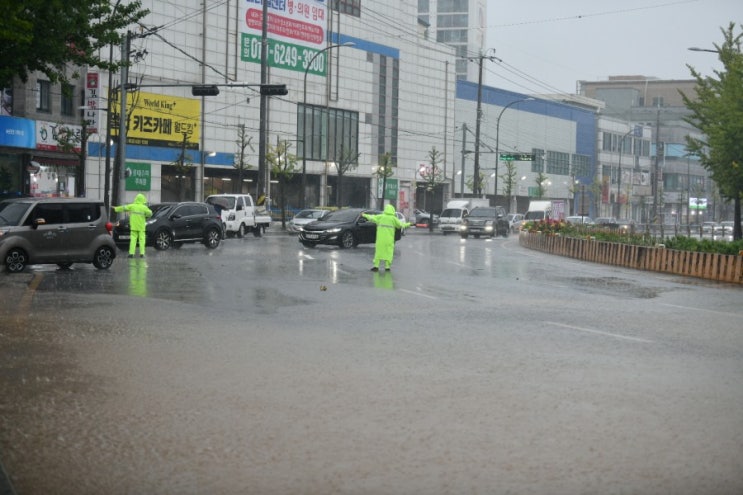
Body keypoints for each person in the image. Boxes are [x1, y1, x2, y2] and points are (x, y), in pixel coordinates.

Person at [362, 204, 411, 272]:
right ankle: (387, 267)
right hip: (389, 240)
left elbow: (372, 217)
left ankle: (376, 266)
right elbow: (401, 225)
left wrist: (364, 215)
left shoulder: (381, 217)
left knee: (379, 252)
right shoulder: (393, 219)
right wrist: (409, 224)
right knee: (388, 253)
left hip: (380, 239)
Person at [114, 193, 152, 258]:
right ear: (142, 200)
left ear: (136, 199)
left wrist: (116, 208)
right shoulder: (144, 207)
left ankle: (131, 253)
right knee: (142, 240)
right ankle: (142, 254)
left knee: (133, 240)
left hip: (134, 227)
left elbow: (124, 208)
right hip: (141, 227)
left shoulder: (132, 206)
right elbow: (150, 213)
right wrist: (146, 215)